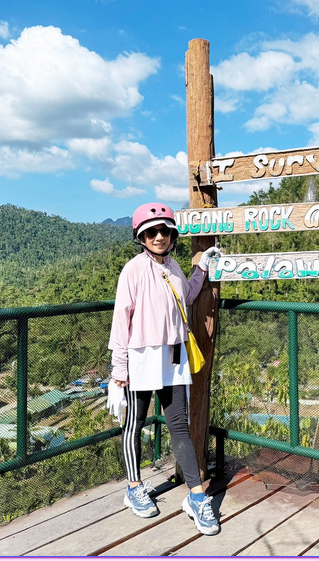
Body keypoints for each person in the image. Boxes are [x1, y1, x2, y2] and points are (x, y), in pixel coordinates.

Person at [108, 202, 221, 536]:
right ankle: (133, 487)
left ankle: (197, 497)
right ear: (142, 236)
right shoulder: (132, 270)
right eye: (152, 231)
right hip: (141, 357)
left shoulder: (173, 267)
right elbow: (121, 319)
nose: (159, 236)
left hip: (172, 356)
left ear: (172, 236)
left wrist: (199, 268)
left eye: (165, 231)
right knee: (136, 423)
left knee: (180, 428)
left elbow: (186, 296)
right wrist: (119, 369)